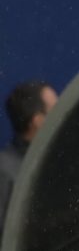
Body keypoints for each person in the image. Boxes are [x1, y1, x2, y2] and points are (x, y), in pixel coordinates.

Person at [1, 81, 57, 237]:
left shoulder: (58, 160)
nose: (62, 115)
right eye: (56, 109)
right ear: (38, 121)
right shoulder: (5, 172)